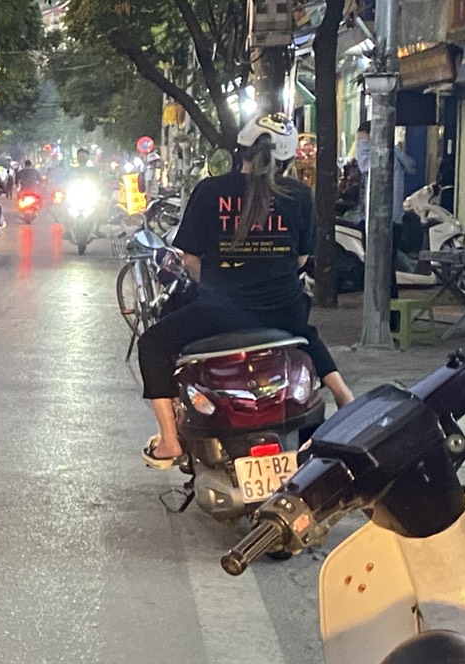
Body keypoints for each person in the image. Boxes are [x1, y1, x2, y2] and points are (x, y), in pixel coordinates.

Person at [136, 113, 353, 466]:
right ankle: (345, 397)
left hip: (218, 315)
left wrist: (218, 283)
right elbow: (301, 260)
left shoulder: (210, 191)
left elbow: (190, 259)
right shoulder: (299, 195)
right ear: (286, 159)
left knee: (152, 344)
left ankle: (170, 442)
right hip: (283, 312)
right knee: (305, 334)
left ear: (241, 150)